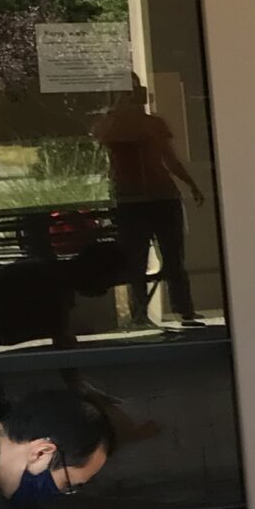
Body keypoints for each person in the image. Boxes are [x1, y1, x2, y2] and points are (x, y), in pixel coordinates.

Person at [93, 80, 205, 328]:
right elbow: (101, 137)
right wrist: (118, 111)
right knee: (135, 258)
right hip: (130, 199)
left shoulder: (153, 123)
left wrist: (190, 183)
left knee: (174, 256)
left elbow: (169, 158)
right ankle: (141, 312)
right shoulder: (112, 123)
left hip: (161, 195)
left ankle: (184, 309)